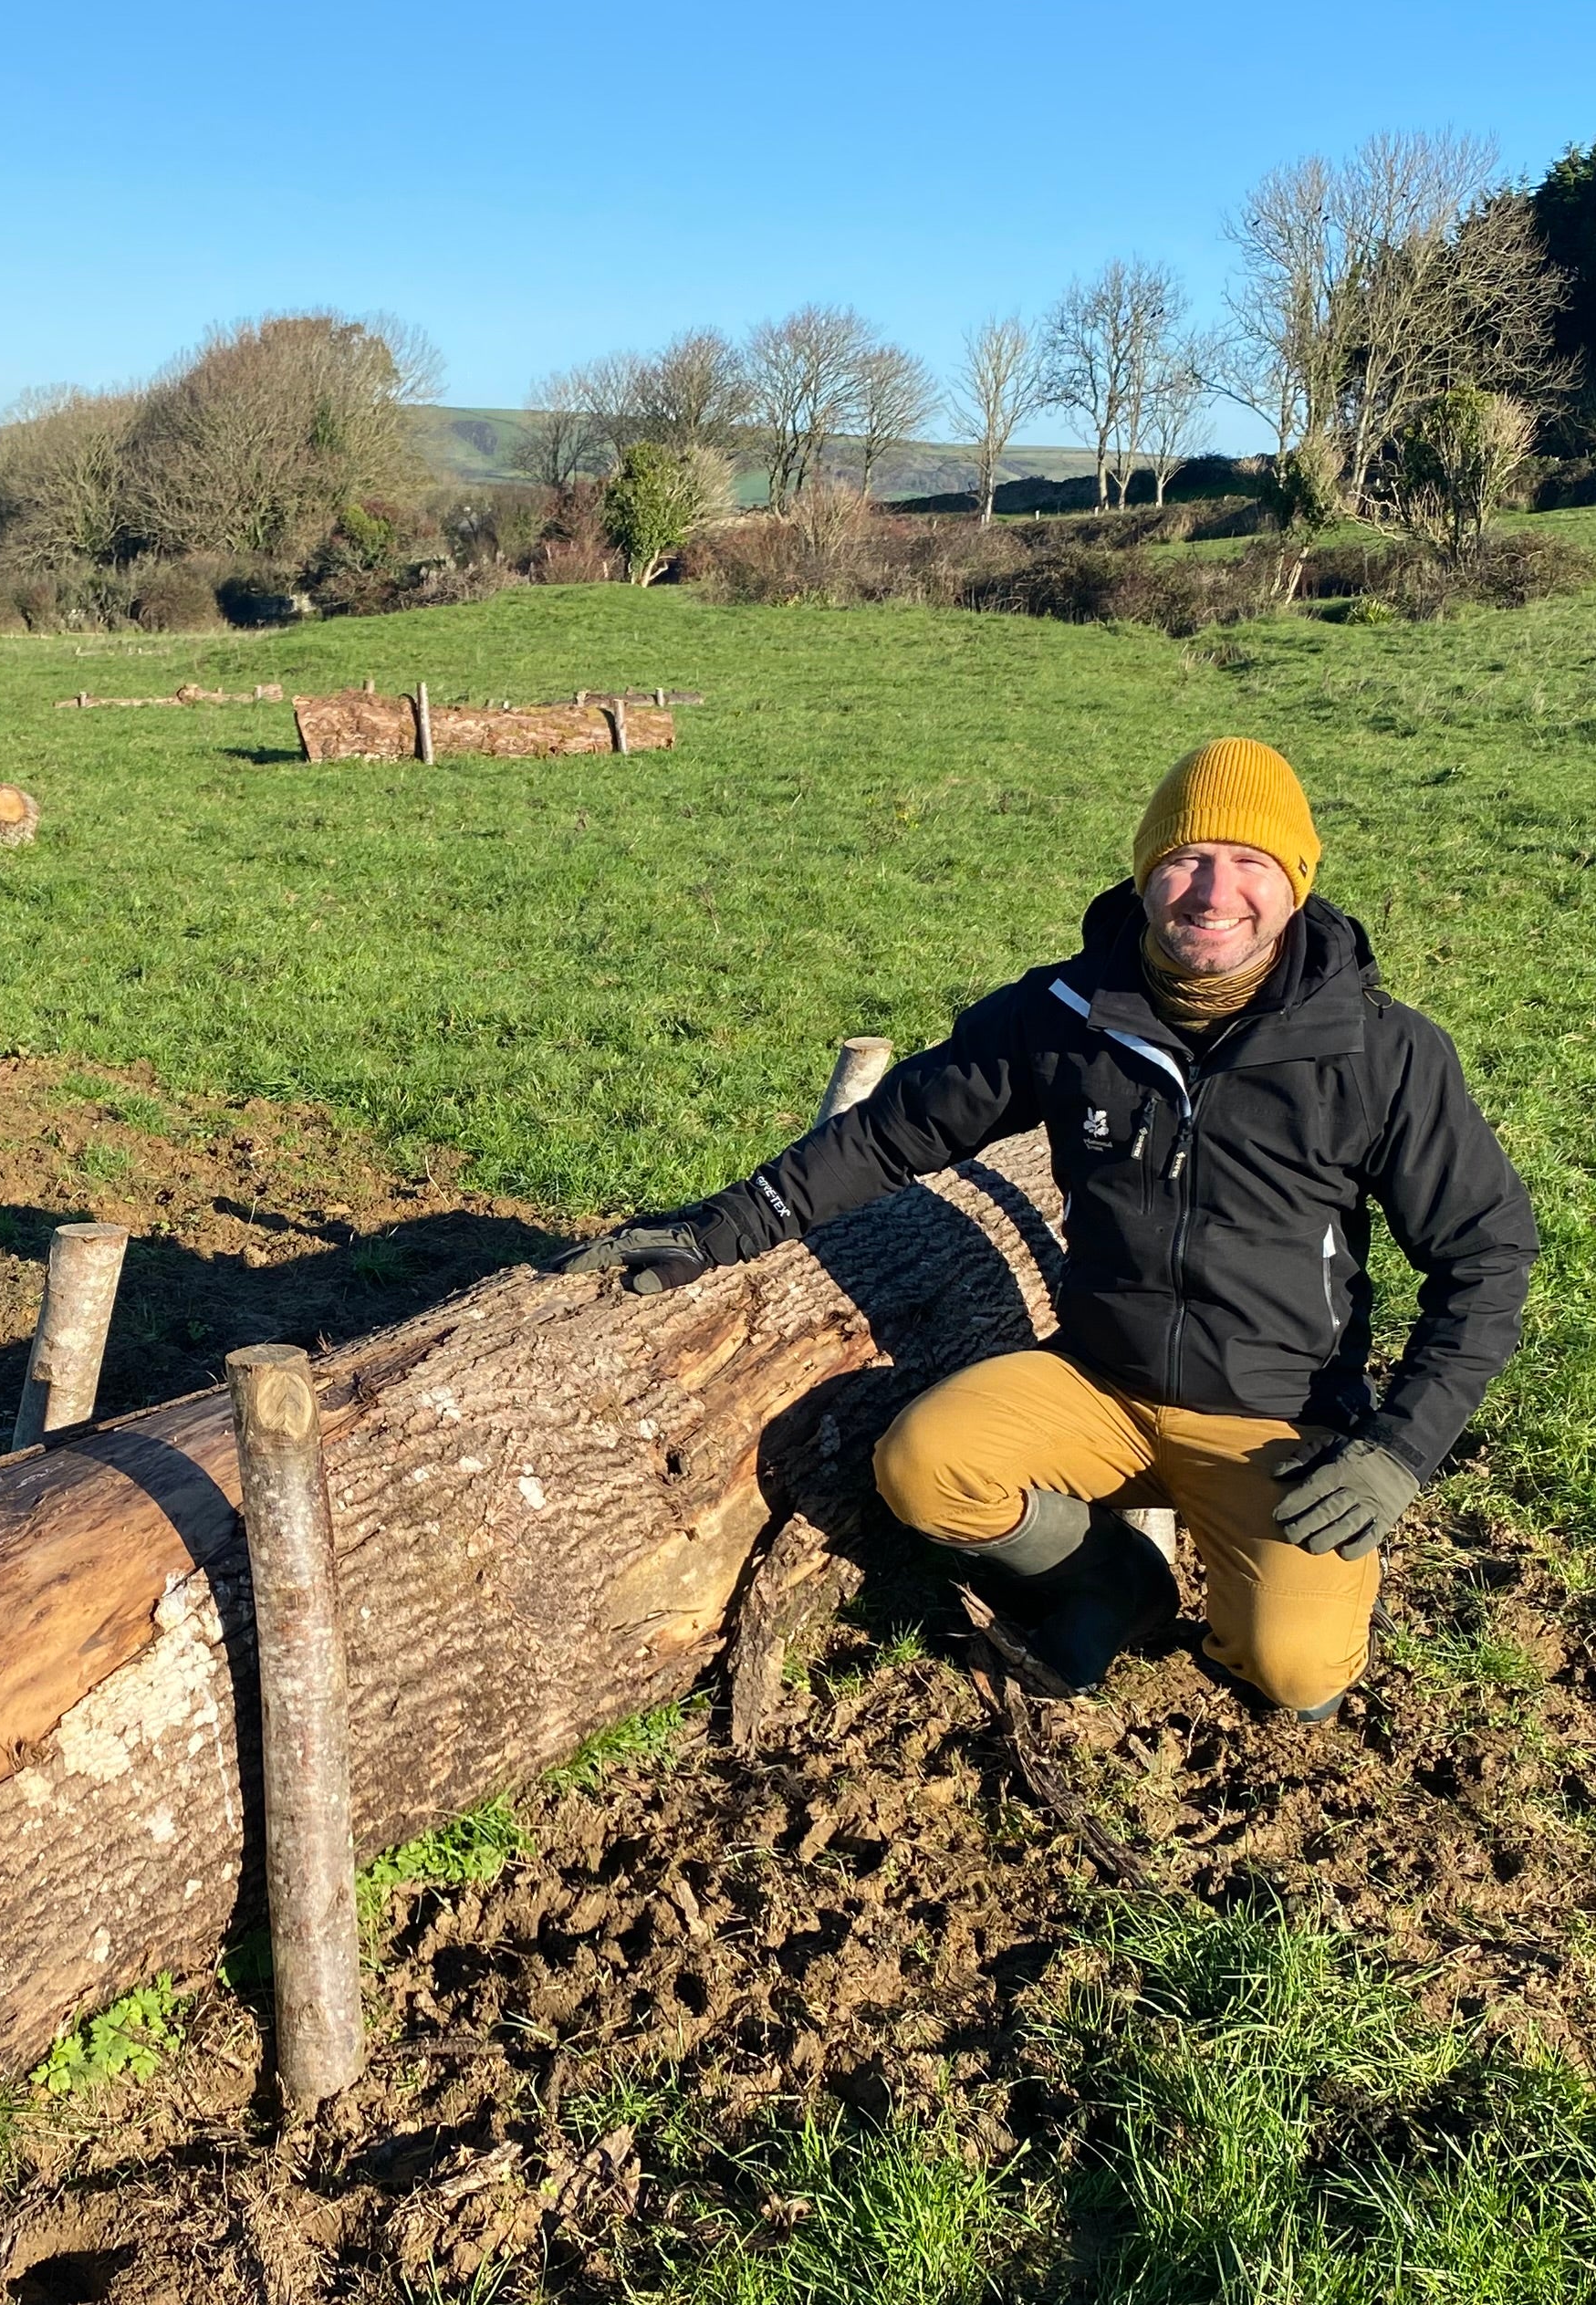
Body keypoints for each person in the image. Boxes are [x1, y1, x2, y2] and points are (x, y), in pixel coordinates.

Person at [563, 737, 1534, 1721]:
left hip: (1277, 1418)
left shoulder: (1380, 1050)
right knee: (925, 1463)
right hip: (1098, 1384)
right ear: (1147, 870)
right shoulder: (1069, 1013)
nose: (1214, 891)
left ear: (1295, 883)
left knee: (1294, 1673)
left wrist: (1399, 1451)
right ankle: (1112, 1584)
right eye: (1187, 859)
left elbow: (1487, 1255)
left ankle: (1255, 1610)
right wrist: (721, 1227)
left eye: (1251, 864)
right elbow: (897, 1130)